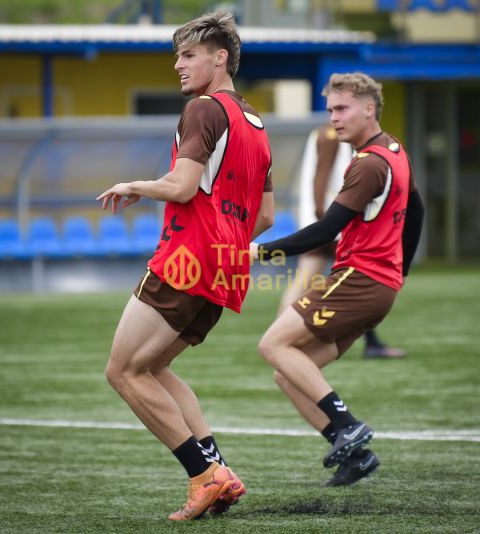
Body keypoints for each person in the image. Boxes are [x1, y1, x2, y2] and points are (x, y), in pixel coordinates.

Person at [96, 11, 274, 521]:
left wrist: (133, 184)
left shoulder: (203, 109)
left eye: (189, 54)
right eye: (178, 55)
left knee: (123, 371)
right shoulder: (256, 124)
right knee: (153, 367)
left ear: (220, 58)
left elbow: (182, 187)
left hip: (186, 261)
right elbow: (265, 216)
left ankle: (204, 476)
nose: (178, 65)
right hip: (226, 267)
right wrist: (223, 239)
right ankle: (221, 472)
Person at [253, 72, 424, 487]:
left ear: (369, 108)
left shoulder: (367, 165)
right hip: (377, 286)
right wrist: (399, 273)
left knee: (272, 344)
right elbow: (417, 211)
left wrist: (259, 252)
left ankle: (347, 424)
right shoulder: (394, 149)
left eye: (342, 108)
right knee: (288, 370)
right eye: (330, 109)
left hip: (358, 279)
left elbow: (324, 231)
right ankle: (355, 454)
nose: (335, 118)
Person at [278, 123, 406, 359]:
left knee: (305, 280)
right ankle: (282, 336)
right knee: (360, 277)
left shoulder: (324, 133)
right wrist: (326, 222)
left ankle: (280, 335)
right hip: (329, 222)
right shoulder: (330, 136)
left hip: (322, 220)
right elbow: (321, 178)